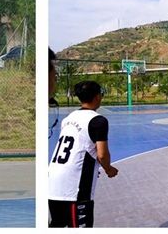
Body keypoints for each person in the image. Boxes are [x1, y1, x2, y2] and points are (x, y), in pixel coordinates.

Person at [48, 80, 118, 228]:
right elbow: (102, 154)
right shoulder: (98, 121)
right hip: (74, 187)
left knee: (57, 224)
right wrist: (109, 169)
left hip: (53, 182)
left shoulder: (68, 119)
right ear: (97, 96)